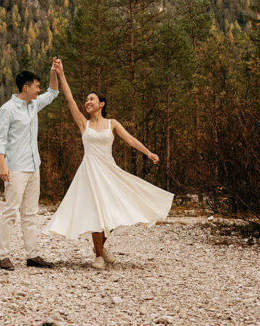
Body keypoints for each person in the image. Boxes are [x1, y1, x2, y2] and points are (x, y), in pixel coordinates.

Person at [44, 58, 173, 267]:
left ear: (101, 104)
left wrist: (148, 153)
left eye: (92, 99)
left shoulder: (112, 123)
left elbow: (130, 139)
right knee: (95, 211)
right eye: (86, 99)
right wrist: (61, 73)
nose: (88, 102)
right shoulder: (82, 123)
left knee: (113, 211)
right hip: (89, 171)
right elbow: (68, 98)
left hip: (108, 170)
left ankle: (101, 248)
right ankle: (98, 256)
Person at [0, 63, 59, 270]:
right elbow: (0, 139)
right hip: (15, 168)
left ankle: (32, 255)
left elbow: (53, 92)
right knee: (11, 212)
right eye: (37, 86)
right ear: (25, 88)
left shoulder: (33, 105)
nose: (39, 90)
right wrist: (2, 165)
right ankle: (3, 256)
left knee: (30, 213)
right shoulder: (7, 109)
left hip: (33, 166)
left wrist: (53, 72)